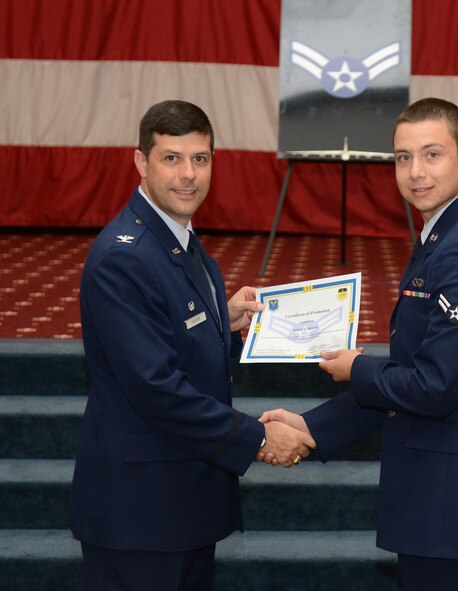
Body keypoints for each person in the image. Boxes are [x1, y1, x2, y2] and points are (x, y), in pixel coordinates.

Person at [262, 97, 458, 590]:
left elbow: (434, 385)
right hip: (443, 493)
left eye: (432, 154)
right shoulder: (443, 234)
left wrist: (357, 368)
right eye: (403, 157)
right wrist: (312, 427)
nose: (416, 172)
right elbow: (412, 370)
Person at [70, 100, 315, 590]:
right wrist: (259, 438)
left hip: (181, 504)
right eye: (171, 158)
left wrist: (224, 322)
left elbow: (170, 337)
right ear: (141, 162)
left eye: (200, 159)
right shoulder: (125, 257)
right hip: (139, 515)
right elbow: (156, 387)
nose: (188, 175)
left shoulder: (179, 239)